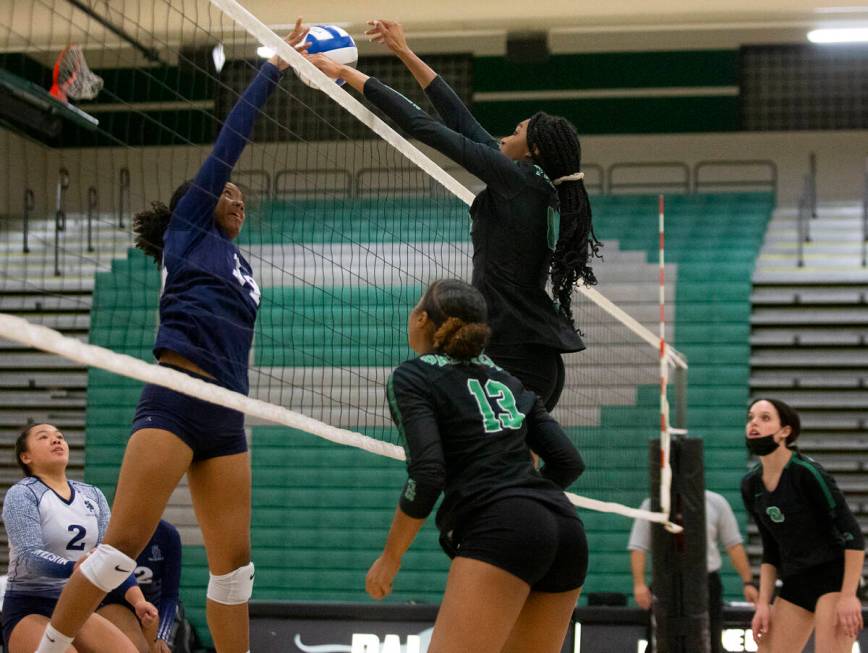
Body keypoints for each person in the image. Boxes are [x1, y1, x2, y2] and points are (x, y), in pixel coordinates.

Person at [35, 21, 312, 653]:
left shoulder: (241, 265)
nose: (238, 200)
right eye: (229, 194)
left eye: (241, 196)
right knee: (119, 550)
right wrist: (272, 69)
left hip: (227, 411)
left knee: (235, 569)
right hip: (177, 392)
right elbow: (228, 149)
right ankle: (48, 648)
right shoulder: (190, 231)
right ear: (203, 202)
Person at [307, 21, 601, 411]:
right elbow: (460, 119)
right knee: (514, 468)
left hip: (515, 353)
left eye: (515, 132)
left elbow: (421, 125)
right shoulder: (530, 183)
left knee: (474, 447)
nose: (503, 138)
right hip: (528, 352)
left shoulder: (518, 180)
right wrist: (403, 51)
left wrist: (345, 73)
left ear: (533, 151)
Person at [366, 278, 587, 653]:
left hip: (503, 527)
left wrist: (390, 558)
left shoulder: (413, 376)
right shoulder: (509, 381)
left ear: (421, 319)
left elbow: (428, 472)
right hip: (566, 529)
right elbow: (568, 463)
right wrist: (526, 500)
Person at [2, 423, 158, 653]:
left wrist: (138, 601)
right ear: (26, 456)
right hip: (30, 605)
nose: (56, 440)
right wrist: (72, 566)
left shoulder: (92, 494)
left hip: (76, 604)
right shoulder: (22, 493)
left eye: (60, 436)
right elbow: (28, 556)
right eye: (43, 437)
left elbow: (111, 557)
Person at [741, 398, 865, 653]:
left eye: (765, 418)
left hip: (834, 577)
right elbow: (770, 550)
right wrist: (763, 603)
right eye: (751, 417)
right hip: (797, 580)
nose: (754, 423)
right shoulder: (751, 485)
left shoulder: (807, 472)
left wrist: (848, 595)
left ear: (785, 431)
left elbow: (852, 534)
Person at [628, 491, 760, 653]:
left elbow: (733, 544)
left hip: (706, 583)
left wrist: (748, 582)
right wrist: (639, 585)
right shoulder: (652, 505)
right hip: (666, 583)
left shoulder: (716, 502)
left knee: (710, 639)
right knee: (661, 640)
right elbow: (638, 547)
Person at [98, 520, 182, 653]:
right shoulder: (111, 529)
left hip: (152, 607)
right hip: (116, 602)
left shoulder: (168, 534)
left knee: (158, 647)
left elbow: (170, 595)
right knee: (136, 647)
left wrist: (161, 636)